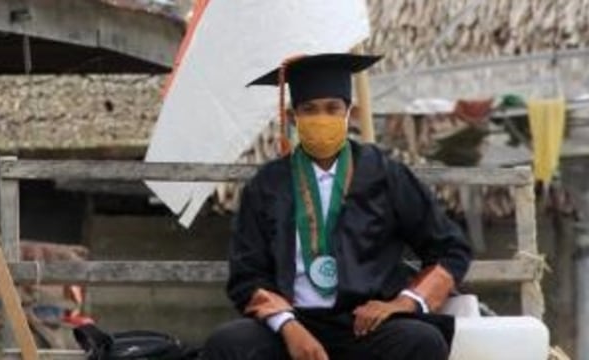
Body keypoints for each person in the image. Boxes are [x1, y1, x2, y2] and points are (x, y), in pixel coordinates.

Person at [202, 53, 472, 360]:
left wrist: (404, 303)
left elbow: (450, 249)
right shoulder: (267, 185)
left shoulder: (384, 175)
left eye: (332, 108)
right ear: (293, 118)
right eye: (310, 110)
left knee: (421, 341)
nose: (322, 118)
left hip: (365, 324)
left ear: (349, 113)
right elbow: (247, 274)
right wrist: (288, 327)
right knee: (228, 345)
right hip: (293, 320)